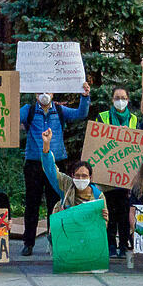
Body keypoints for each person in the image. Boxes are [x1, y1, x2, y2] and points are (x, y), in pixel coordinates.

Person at [18, 82, 90, 256]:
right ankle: (28, 243)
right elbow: (11, 117)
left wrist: (85, 96)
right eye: (40, 90)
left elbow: (81, 114)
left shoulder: (59, 111)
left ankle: (55, 241)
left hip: (56, 163)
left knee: (56, 204)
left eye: (48, 90)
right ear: (35, 94)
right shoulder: (28, 110)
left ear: (54, 93)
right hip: (34, 163)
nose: (44, 94)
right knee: (32, 204)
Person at [96, 82, 137, 258]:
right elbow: (97, 140)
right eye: (117, 98)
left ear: (128, 100)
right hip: (108, 173)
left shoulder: (134, 119)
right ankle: (111, 244)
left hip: (127, 174)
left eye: (123, 98)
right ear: (112, 100)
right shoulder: (103, 116)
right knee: (110, 211)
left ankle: (123, 245)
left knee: (124, 212)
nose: (120, 101)